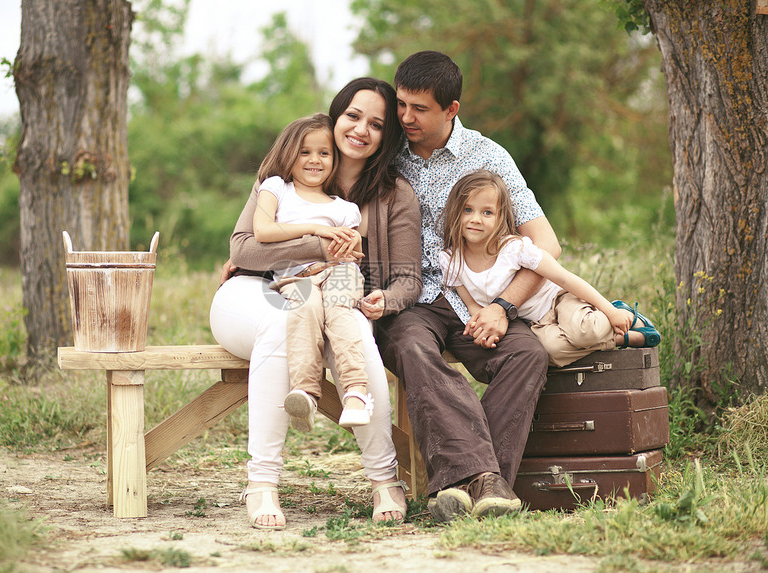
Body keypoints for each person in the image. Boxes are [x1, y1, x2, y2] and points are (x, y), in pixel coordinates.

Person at [210, 78, 422, 530]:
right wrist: (316, 247)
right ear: (337, 115)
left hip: (341, 296)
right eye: (353, 116)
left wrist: (383, 297)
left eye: (377, 124)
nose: (361, 129)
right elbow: (246, 249)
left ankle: (384, 479)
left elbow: (406, 277)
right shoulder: (280, 180)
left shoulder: (392, 194)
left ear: (388, 137)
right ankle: (263, 482)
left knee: (359, 341)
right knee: (282, 324)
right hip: (260, 290)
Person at [375, 50, 562, 523]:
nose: (405, 117)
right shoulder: (385, 152)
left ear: (451, 109)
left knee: (527, 355)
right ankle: (486, 483)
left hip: (477, 294)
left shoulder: (488, 156)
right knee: (414, 349)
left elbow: (547, 245)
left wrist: (502, 306)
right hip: (411, 298)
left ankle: (459, 488)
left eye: (419, 109)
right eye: (401, 104)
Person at [439, 169, 661, 368]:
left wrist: (609, 310)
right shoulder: (451, 260)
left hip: (559, 300)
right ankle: (628, 338)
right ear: (455, 212)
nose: (476, 219)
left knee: (585, 331)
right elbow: (472, 305)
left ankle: (625, 315)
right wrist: (483, 331)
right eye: (468, 210)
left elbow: (565, 279)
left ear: (500, 219)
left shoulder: (514, 248)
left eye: (487, 212)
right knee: (551, 352)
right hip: (534, 321)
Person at [252, 113, 374, 430]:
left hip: (339, 271)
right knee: (304, 310)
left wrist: (351, 243)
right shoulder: (276, 187)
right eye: (305, 152)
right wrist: (314, 230)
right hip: (298, 276)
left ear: (335, 159)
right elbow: (263, 231)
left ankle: (357, 393)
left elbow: (355, 251)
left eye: (324, 153)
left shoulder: (345, 208)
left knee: (339, 312)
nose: (314, 160)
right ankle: (305, 394)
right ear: (289, 155)